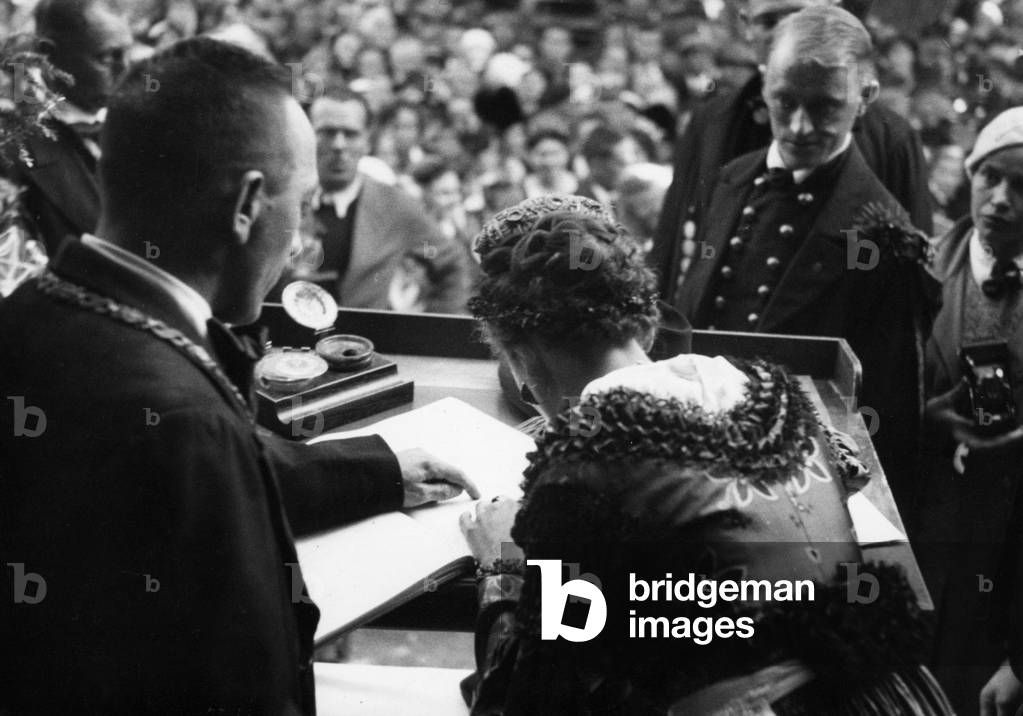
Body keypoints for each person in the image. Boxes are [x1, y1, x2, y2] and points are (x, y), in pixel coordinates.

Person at [0, 38, 477, 714]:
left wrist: (381, 470)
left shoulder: (27, 318)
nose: (301, 235)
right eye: (303, 204)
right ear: (248, 204)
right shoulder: (186, 425)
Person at [457, 194, 951, 715]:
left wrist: (502, 562)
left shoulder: (579, 467)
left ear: (518, 357)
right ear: (644, 321)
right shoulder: (772, 391)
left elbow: (532, 698)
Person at [673, 6, 937, 510]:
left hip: (798, 489)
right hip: (689, 459)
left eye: (825, 107)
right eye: (784, 102)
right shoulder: (730, 180)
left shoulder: (887, 238)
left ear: (865, 100)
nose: (798, 126)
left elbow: (888, 415)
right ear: (764, 84)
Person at [649, 0, 933, 300]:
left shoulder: (891, 137)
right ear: (746, 25)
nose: (788, 32)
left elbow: (908, 276)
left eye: (802, 17)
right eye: (769, 22)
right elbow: (676, 240)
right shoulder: (712, 122)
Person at [919, 107, 1023, 716]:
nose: (1001, 200)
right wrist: (922, 417)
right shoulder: (920, 269)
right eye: (991, 178)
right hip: (924, 531)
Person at [303, 90, 468, 313]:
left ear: (367, 140)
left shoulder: (393, 205)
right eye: (327, 132)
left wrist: (434, 329)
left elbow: (450, 262)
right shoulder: (283, 196)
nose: (339, 144)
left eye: (350, 134)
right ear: (307, 135)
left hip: (362, 341)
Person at [1, 0, 131, 255]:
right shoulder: (12, 143)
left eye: (127, 52)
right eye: (106, 57)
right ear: (49, 54)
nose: (125, 68)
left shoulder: (142, 119)